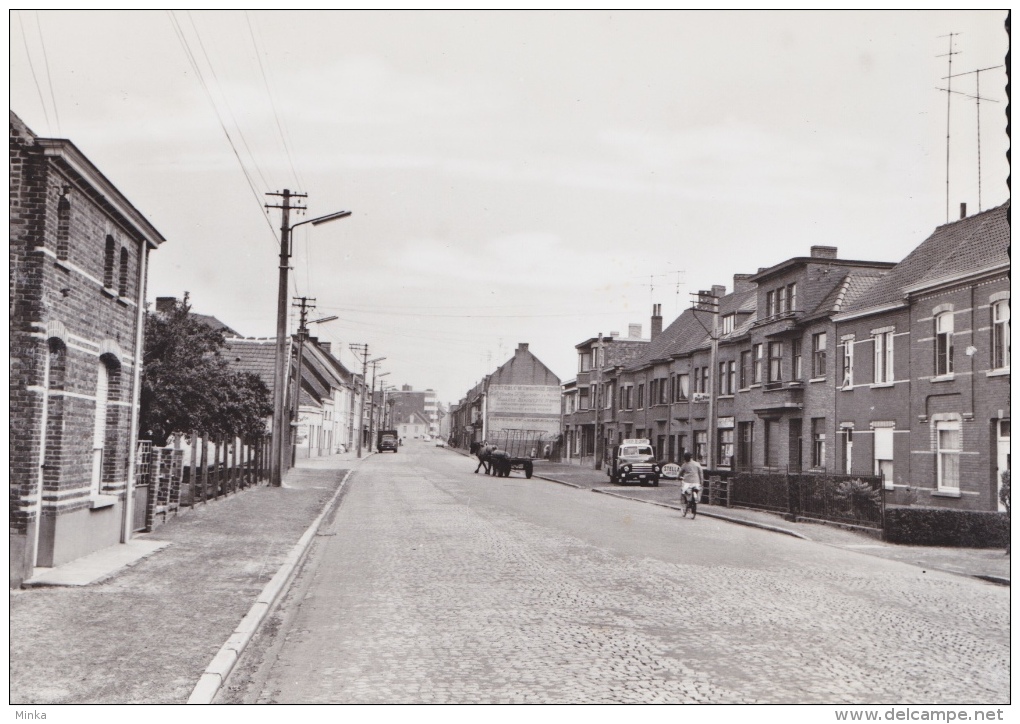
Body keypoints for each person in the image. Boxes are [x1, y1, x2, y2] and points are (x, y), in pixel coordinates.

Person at [679, 452, 704, 518]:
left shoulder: (684, 465)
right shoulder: (697, 464)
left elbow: (680, 473)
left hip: (687, 482)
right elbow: (701, 473)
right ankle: (695, 501)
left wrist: (678, 477)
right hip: (696, 482)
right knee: (697, 490)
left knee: (683, 491)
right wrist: (701, 482)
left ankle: (687, 502)